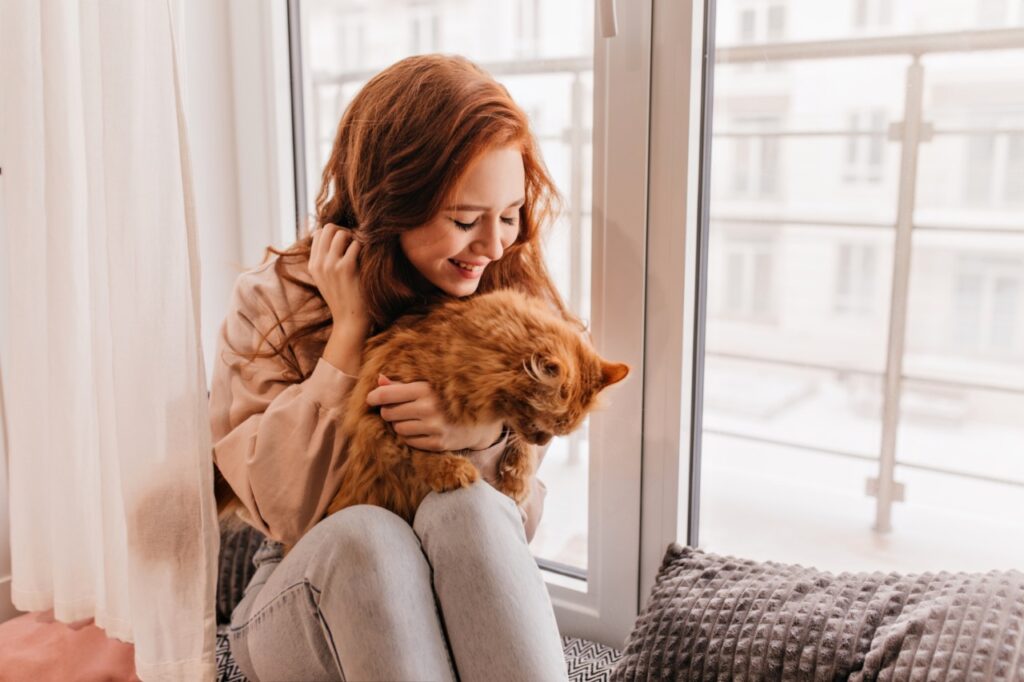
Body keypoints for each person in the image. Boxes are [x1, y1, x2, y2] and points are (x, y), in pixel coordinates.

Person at [210, 54, 580, 682]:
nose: (494, 246)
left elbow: (514, 525)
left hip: (446, 588)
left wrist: (481, 435)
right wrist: (347, 337)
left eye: (511, 214)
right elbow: (282, 509)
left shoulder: (506, 288)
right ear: (392, 200)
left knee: (469, 507)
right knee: (369, 539)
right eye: (465, 220)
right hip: (306, 586)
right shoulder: (274, 298)